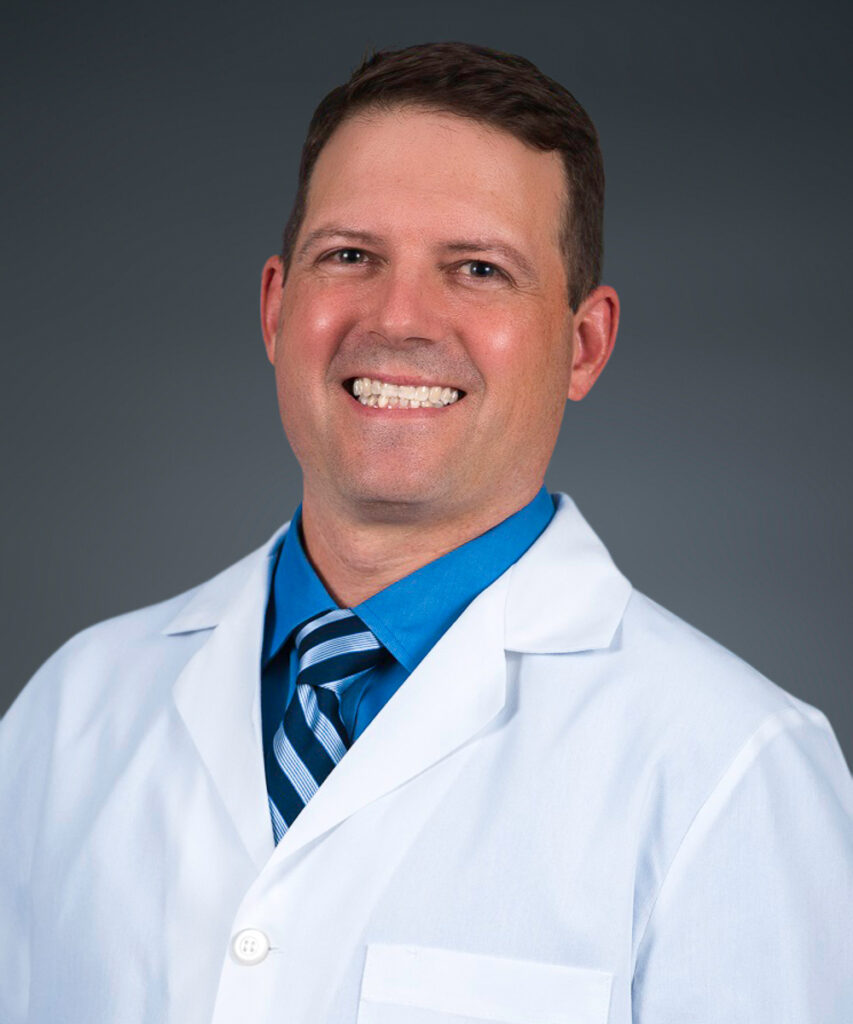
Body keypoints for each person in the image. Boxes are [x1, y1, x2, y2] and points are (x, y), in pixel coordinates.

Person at [1, 41, 851, 1024]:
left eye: (478, 269)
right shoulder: (71, 715)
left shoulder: (734, 770)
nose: (399, 318)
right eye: (351, 256)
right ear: (278, 307)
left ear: (584, 345)